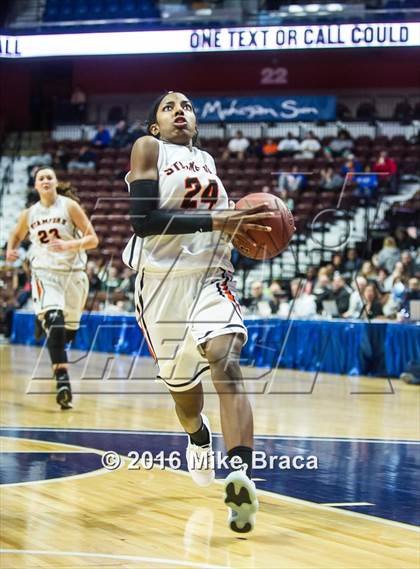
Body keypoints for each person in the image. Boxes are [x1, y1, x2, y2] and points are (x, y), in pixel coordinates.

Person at [123, 91, 273, 533]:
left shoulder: (207, 160)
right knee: (185, 399)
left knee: (226, 362)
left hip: (209, 277)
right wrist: (217, 222)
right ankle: (198, 436)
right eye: (169, 107)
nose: (180, 112)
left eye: (186, 106)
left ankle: (240, 476)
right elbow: (143, 222)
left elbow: (223, 222)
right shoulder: (148, 148)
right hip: (161, 286)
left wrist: (250, 231)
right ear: (155, 125)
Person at [6, 167, 98, 409]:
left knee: (68, 332)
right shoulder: (29, 213)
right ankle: (63, 383)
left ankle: (44, 319)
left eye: (49, 177)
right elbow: (15, 235)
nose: (45, 180)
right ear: (35, 186)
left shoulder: (69, 207)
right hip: (45, 272)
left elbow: (93, 239)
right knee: (55, 322)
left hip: (74, 275)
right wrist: (10, 250)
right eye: (40, 178)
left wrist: (71, 245)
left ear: (56, 182)